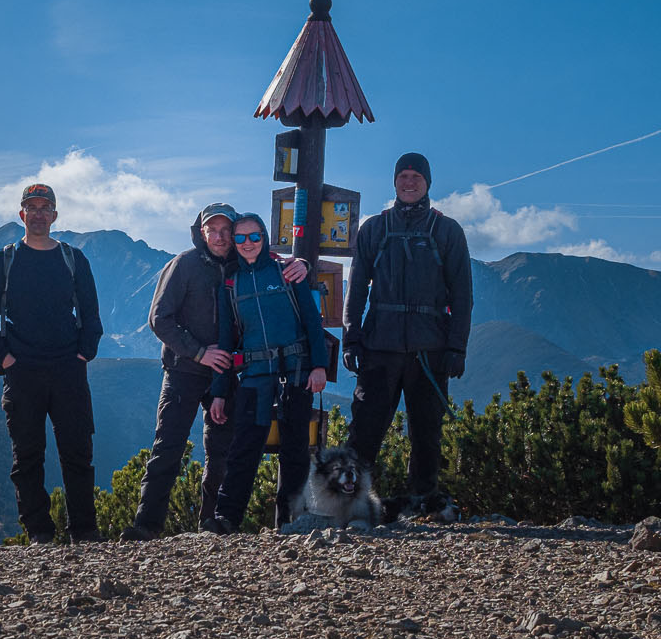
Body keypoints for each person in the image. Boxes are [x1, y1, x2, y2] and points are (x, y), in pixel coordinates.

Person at [123, 204, 309, 540]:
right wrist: (199, 353)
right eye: (213, 230)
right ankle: (147, 526)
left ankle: (212, 526)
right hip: (184, 371)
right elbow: (159, 319)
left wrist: (301, 264)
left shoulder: (240, 263)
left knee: (222, 452)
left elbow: (272, 264)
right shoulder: (184, 265)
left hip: (228, 375)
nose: (221, 237)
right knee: (169, 447)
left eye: (227, 230)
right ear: (201, 232)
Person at [341, 152, 473, 520]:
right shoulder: (374, 229)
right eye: (403, 175)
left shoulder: (447, 231)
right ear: (394, 181)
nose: (409, 181)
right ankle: (353, 503)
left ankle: (423, 501)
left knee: (426, 431)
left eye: (416, 176)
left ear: (427, 182)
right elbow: (356, 290)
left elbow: (462, 296)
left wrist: (456, 347)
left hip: (430, 352)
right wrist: (352, 338)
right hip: (379, 347)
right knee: (365, 428)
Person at [0, 182, 105, 543]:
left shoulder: (73, 259)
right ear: (21, 215)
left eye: (44, 207)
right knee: (27, 456)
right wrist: (5, 358)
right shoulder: (3, 261)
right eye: (31, 208)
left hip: (68, 369)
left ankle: (84, 530)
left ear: (54, 215)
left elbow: (91, 314)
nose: (37, 214)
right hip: (23, 374)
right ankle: (39, 533)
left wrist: (84, 353)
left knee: (77, 453)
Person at [204, 213, 328, 532]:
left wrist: (319, 366)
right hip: (256, 375)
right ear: (234, 241)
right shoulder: (230, 283)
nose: (248, 244)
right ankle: (226, 517)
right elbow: (224, 342)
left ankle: (292, 519)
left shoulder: (286, 272)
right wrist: (219, 393)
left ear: (265, 238)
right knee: (245, 446)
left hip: (296, 371)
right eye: (241, 238)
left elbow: (313, 322)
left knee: (295, 447)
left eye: (255, 236)